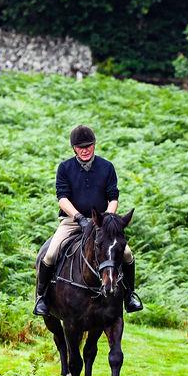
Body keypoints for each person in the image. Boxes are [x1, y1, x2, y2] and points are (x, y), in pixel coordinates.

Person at [34, 125, 142, 316]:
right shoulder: (65, 168)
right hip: (71, 221)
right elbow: (62, 198)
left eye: (88, 146)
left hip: (101, 223)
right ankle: (41, 298)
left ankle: (129, 296)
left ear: (94, 145)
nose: (85, 150)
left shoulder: (106, 167)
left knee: (127, 254)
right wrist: (79, 218)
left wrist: (105, 220)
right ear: (74, 148)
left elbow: (113, 197)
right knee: (50, 255)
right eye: (80, 146)